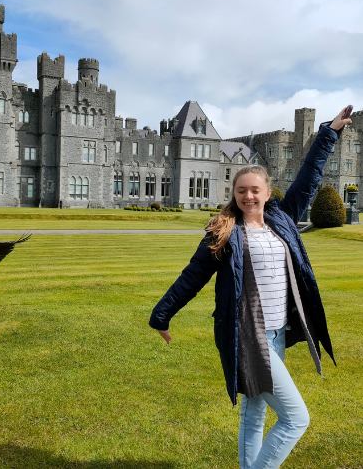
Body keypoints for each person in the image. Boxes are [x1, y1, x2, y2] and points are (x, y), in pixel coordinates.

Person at [149, 108, 350, 469]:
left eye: (255, 190)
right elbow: (193, 275)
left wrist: (328, 134)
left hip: (277, 333)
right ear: (234, 193)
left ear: (267, 192)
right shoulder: (224, 231)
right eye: (241, 190)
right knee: (295, 418)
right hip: (248, 333)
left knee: (255, 410)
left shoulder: (282, 217)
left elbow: (309, 175)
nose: (248, 196)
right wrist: (162, 314)